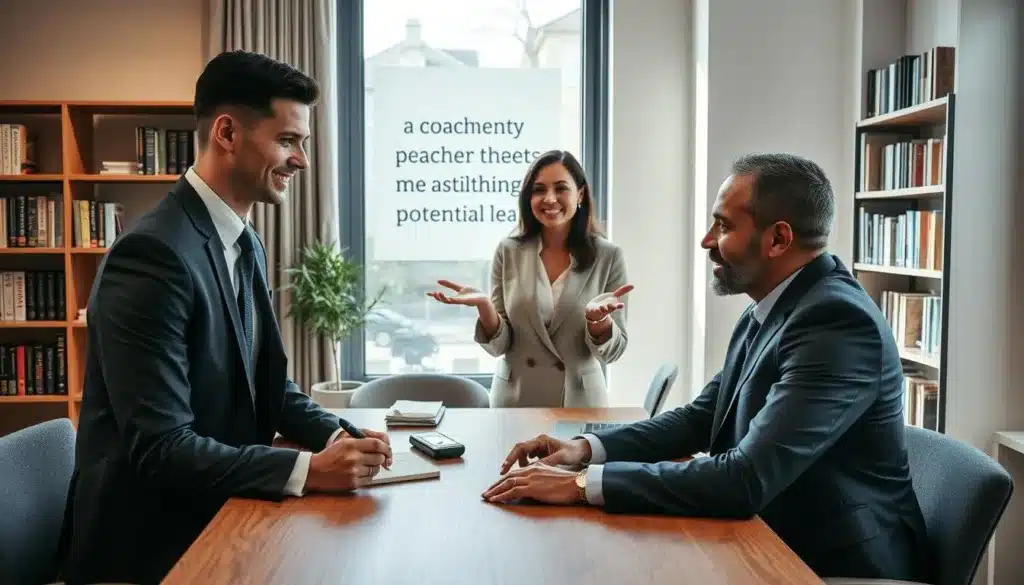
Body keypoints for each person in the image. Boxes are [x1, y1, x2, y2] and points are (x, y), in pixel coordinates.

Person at [482, 153, 931, 582]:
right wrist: (584, 449)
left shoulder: (835, 322)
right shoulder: (776, 307)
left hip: (826, 560)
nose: (706, 241)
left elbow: (744, 479)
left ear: (778, 239)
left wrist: (581, 485)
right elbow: (701, 417)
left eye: (723, 225)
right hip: (766, 535)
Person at [61, 50, 393, 585]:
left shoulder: (244, 242)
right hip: (153, 544)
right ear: (227, 133)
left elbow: (268, 385)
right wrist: (308, 471)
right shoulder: (152, 256)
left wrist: (338, 437)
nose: (301, 160)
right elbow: (162, 449)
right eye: (288, 141)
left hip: (224, 511)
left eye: (302, 143)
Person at [428, 150, 633, 407]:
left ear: (580, 194)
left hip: (578, 402)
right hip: (516, 399)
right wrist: (485, 307)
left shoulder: (608, 256)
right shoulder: (508, 250)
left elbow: (614, 352)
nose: (549, 199)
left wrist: (599, 322)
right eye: (538, 190)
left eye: (561, 188)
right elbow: (499, 346)